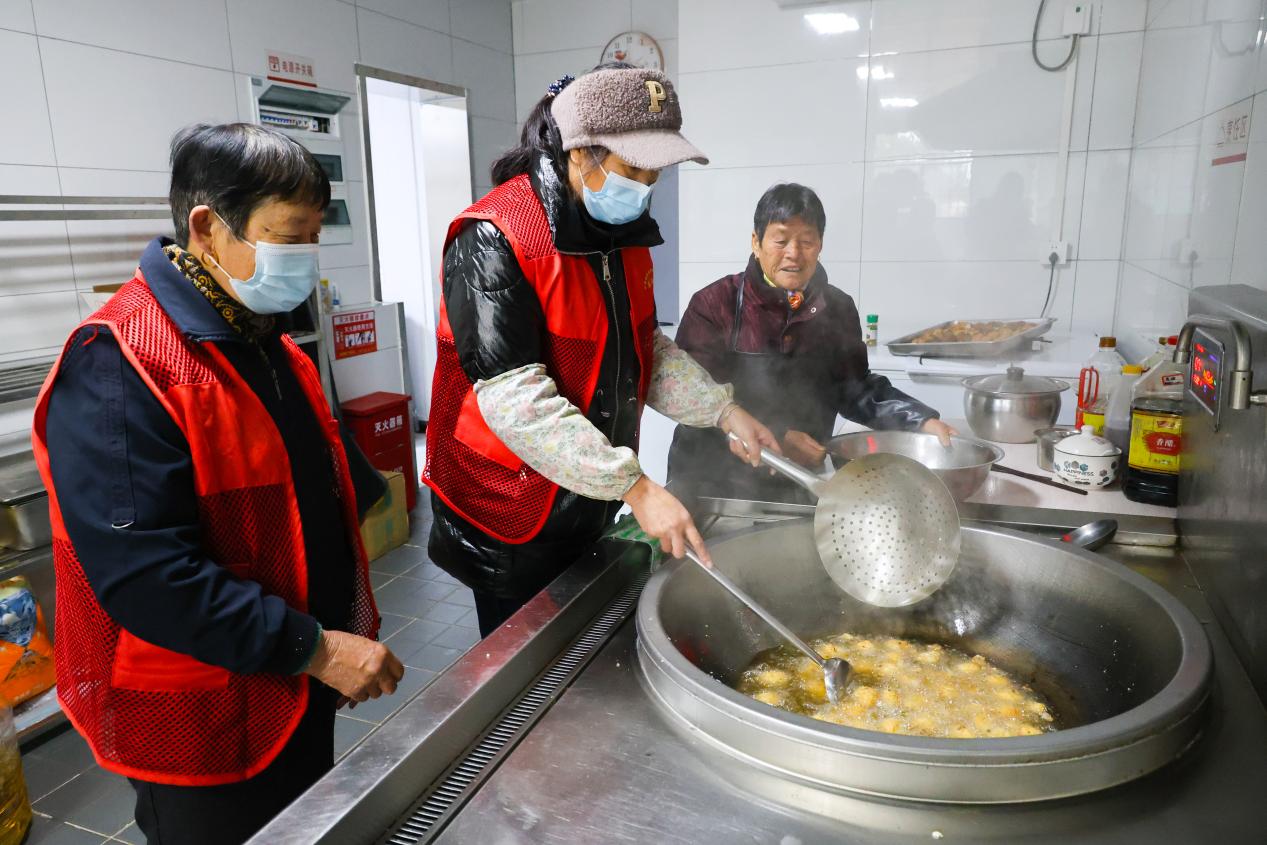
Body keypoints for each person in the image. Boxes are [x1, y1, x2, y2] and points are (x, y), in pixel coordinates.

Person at [31, 123, 404, 844]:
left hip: (289, 677)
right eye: (289, 237)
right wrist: (321, 649)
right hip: (200, 711)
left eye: (314, 237)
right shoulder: (120, 362)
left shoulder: (259, 336)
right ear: (206, 227)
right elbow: (148, 576)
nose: (305, 258)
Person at [424, 65, 779, 637]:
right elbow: (515, 400)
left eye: (653, 174)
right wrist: (636, 487)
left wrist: (722, 410)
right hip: (508, 508)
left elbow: (646, 349)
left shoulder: (623, 236)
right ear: (580, 150)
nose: (642, 187)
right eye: (631, 169)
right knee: (524, 658)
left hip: (584, 493)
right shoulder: (495, 235)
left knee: (575, 636)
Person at [667, 183, 956, 502]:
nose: (794, 253)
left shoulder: (837, 307)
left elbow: (855, 388)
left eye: (806, 241)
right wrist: (778, 437)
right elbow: (693, 398)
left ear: (819, 246)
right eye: (781, 240)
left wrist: (918, 420)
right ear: (756, 242)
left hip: (797, 484)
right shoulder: (714, 304)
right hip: (713, 485)